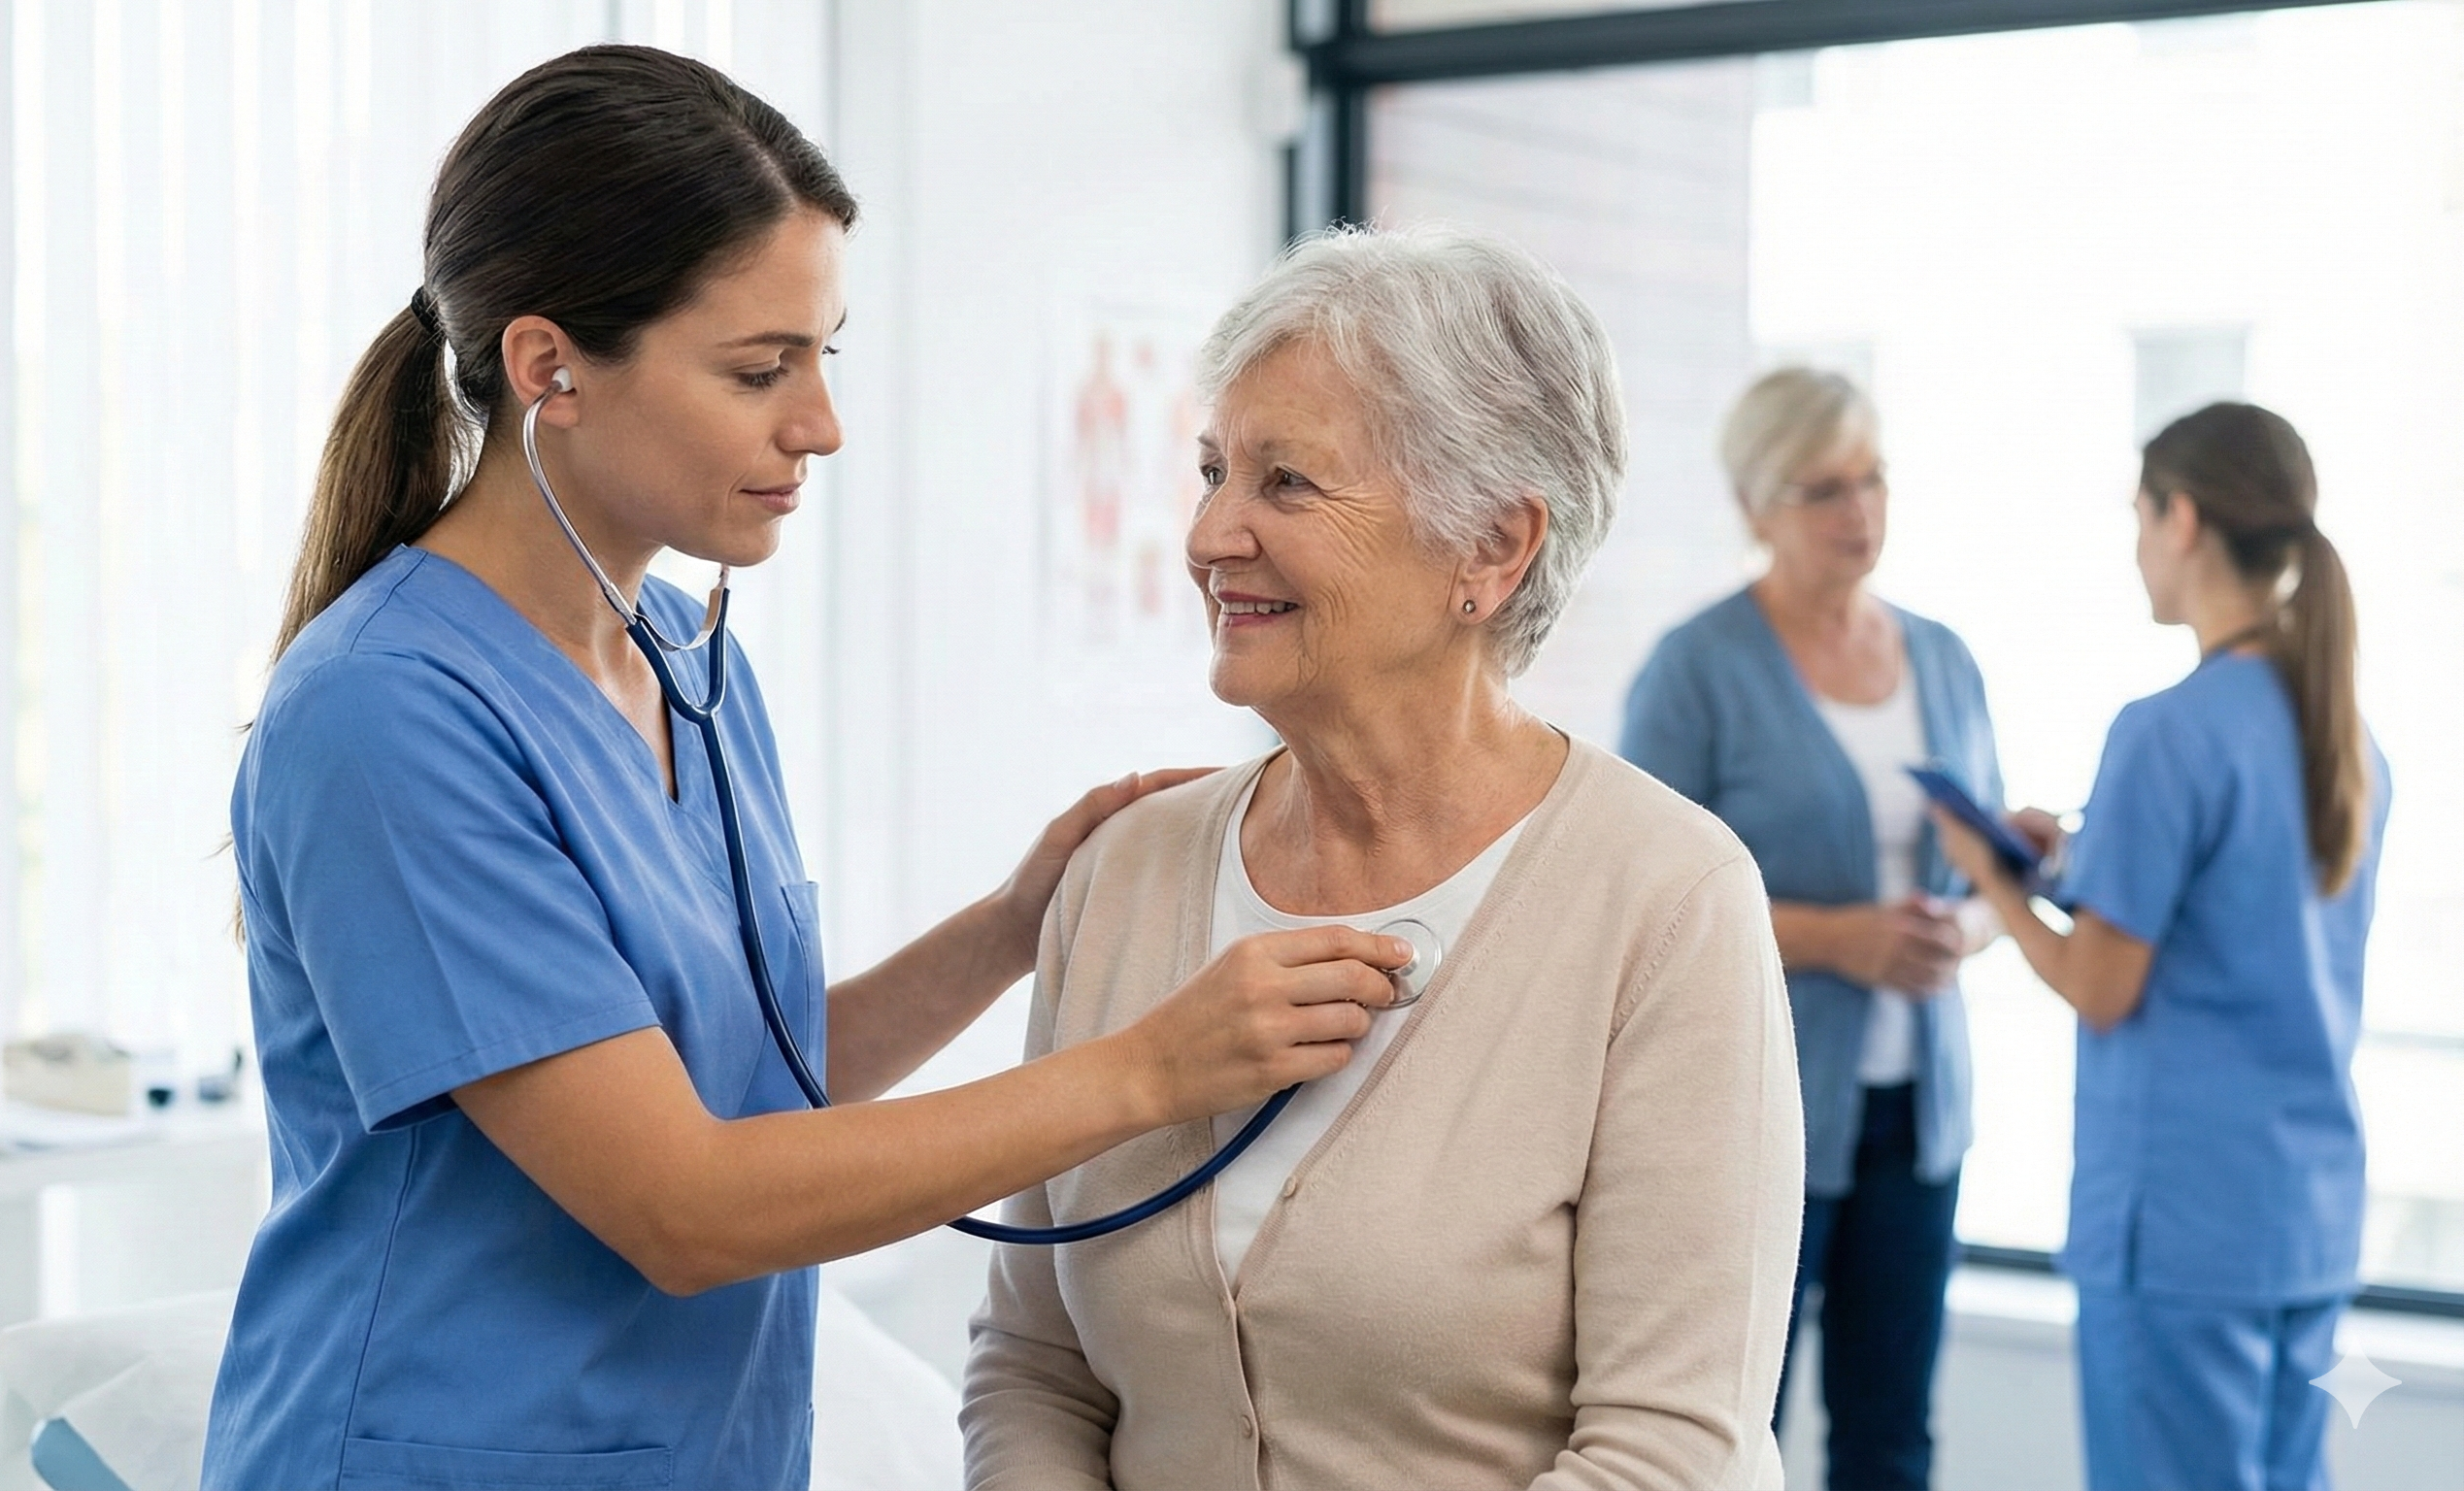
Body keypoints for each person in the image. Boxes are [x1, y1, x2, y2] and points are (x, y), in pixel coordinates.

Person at [204, 47, 1406, 1491]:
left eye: (824, 357)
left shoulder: (682, 661)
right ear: (550, 368)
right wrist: (1158, 1066)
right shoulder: (386, 716)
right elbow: (682, 1201)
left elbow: (747, 1084)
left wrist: (1008, 932)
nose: (819, 425)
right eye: (760, 370)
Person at [960, 224, 1804, 1491]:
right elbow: (1031, 1367)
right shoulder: (1121, 875)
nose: (1209, 537)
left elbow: (1669, 1452)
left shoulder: (1668, 903)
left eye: (1286, 483)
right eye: (1211, 473)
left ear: (1492, 549)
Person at [1933, 402, 2389, 1491]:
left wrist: (1993, 875)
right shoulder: (2343, 734)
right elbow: (2245, 904)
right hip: (2300, 1221)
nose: (2135, 544)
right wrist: (2075, 858)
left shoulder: (2164, 731)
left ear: (2179, 519)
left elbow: (2100, 986)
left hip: (2180, 1231)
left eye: (2139, 515)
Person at [1618, 368, 2000, 1491]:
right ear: (1753, 508)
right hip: (1749, 1112)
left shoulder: (1943, 658)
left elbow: (1985, 885)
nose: (1859, 512)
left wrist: (1964, 929)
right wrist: (1841, 940)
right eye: (1823, 488)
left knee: (1891, 1436)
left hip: (1917, 1116)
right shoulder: (1694, 671)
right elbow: (1642, 902)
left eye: (1871, 478)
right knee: (1736, 1430)